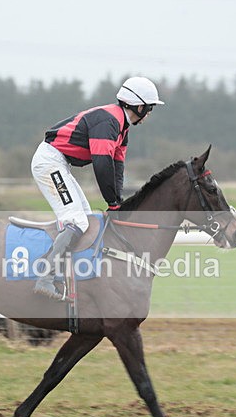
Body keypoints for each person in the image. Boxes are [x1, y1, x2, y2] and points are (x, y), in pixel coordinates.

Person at [31, 76, 165, 300]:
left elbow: (116, 166)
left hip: (59, 163)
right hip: (49, 162)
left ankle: (66, 275)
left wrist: (117, 203)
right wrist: (112, 202)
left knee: (85, 218)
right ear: (139, 105)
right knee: (77, 221)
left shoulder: (122, 128)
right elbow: (102, 165)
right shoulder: (109, 123)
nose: (150, 113)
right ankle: (45, 276)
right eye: (150, 107)